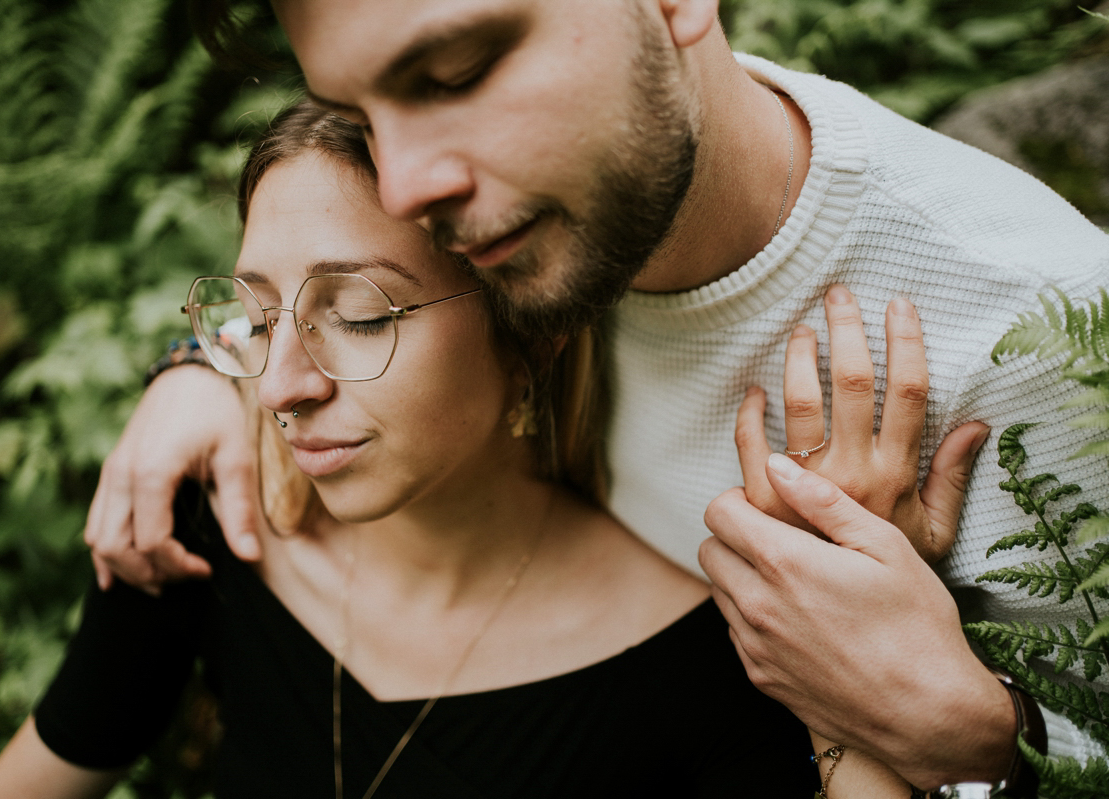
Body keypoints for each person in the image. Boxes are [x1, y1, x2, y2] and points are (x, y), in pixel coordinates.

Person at [85, 0, 1109, 793]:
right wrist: (192, 372)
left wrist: (980, 740)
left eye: (456, 74)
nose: (401, 189)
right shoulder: (518, 221)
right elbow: (326, 279)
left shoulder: (1038, 338)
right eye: (363, 112)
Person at [0, 100, 842, 799]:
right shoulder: (209, 531)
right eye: (261, 317)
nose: (279, 387)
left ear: (533, 335)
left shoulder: (703, 660)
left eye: (361, 315)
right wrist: (184, 369)